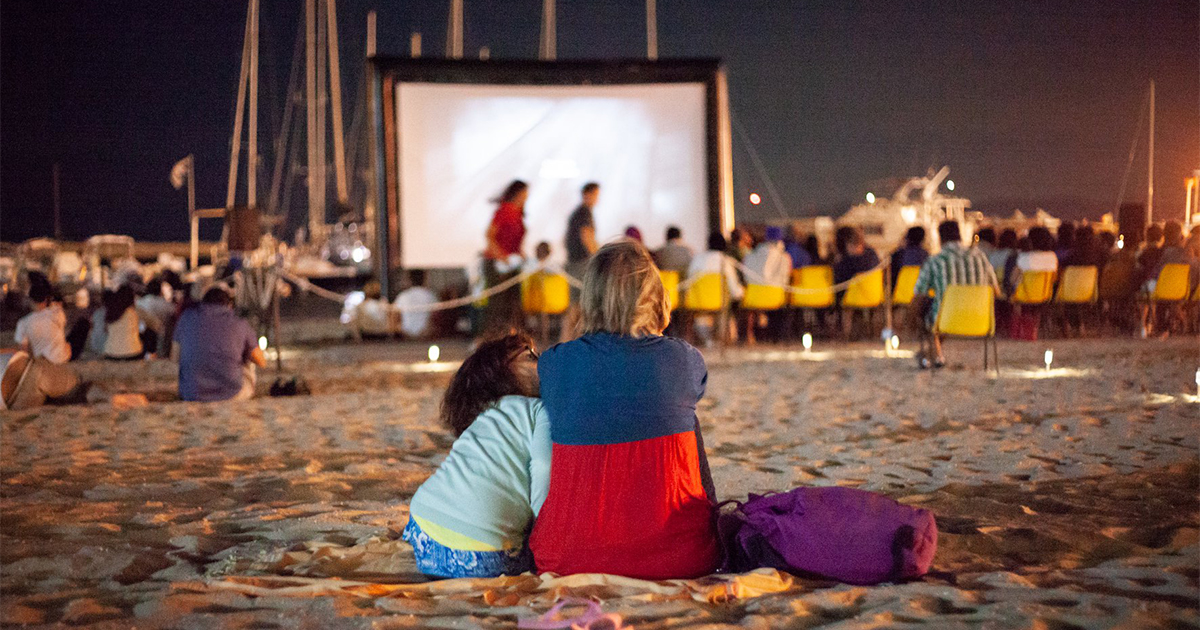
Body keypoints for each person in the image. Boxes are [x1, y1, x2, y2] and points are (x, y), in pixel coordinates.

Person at [530, 241, 718, 579]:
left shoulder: (555, 363)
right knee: (686, 417)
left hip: (568, 559)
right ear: (654, 295)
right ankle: (705, 523)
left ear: (590, 298)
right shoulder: (683, 360)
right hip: (680, 557)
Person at [403, 333, 549, 578]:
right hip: (483, 554)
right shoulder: (540, 411)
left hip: (421, 529)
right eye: (531, 356)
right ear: (503, 376)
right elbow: (544, 472)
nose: (542, 360)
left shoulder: (488, 414)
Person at [911, 221, 998, 369]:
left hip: (947, 320)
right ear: (960, 236)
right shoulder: (980, 257)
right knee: (939, 312)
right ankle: (932, 352)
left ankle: (936, 355)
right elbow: (996, 291)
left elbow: (919, 293)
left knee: (925, 309)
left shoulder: (935, 261)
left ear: (940, 238)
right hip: (981, 321)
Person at [173, 285, 266, 402]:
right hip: (232, 393)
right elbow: (261, 361)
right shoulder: (240, 323)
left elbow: (175, 356)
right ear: (229, 305)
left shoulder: (186, 318)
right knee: (248, 359)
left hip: (191, 393)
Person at [482, 180, 529, 336]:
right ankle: (492, 338)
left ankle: (511, 336)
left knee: (513, 305)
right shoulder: (504, 211)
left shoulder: (518, 213)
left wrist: (520, 255)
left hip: (512, 265)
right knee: (498, 306)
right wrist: (501, 256)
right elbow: (490, 236)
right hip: (497, 264)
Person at [686, 232, 745, 346]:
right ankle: (722, 339)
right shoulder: (726, 261)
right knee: (726, 310)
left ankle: (707, 340)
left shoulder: (697, 259)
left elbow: (689, 281)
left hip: (697, 302)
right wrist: (740, 293)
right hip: (719, 302)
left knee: (700, 317)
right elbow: (733, 288)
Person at [15, 278, 71, 364]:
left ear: (30, 300)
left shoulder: (23, 323)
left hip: (43, 361)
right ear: (46, 299)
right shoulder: (57, 312)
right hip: (63, 358)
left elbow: (23, 352)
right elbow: (59, 303)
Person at [95, 284, 144, 360]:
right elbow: (154, 324)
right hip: (134, 353)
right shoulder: (135, 311)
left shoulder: (109, 312)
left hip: (111, 353)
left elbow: (105, 331)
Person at [137, 278, 177, 357]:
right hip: (161, 341)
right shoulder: (164, 304)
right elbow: (175, 311)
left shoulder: (140, 303)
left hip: (141, 340)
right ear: (160, 290)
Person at [394, 270, 437, 339]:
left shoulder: (402, 296)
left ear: (409, 280)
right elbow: (435, 318)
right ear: (424, 279)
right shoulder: (430, 295)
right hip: (417, 336)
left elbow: (395, 318)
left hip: (410, 336)